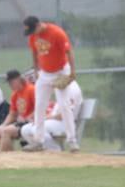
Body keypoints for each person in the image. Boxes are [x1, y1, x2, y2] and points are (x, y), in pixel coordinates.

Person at [23, 16, 79, 152]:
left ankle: (72, 141)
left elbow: (69, 52)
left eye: (32, 30)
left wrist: (72, 71)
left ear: (38, 25)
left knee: (64, 105)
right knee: (40, 105)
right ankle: (39, 140)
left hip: (60, 72)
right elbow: (35, 53)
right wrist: (36, 70)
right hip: (44, 74)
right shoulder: (33, 37)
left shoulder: (57, 33)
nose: (32, 33)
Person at [21, 81, 83, 151]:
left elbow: (64, 115)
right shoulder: (62, 85)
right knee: (25, 129)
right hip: (56, 122)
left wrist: (44, 118)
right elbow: (54, 113)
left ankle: (54, 150)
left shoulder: (72, 90)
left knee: (36, 129)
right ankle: (42, 150)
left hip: (66, 124)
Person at [0, 70, 34, 152]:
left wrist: (28, 117)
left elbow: (40, 108)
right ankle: (11, 154)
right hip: (21, 123)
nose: (10, 85)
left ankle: (6, 156)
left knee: (6, 131)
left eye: (11, 82)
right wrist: (3, 125)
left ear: (18, 79)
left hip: (31, 122)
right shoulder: (15, 94)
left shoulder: (31, 89)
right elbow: (12, 114)